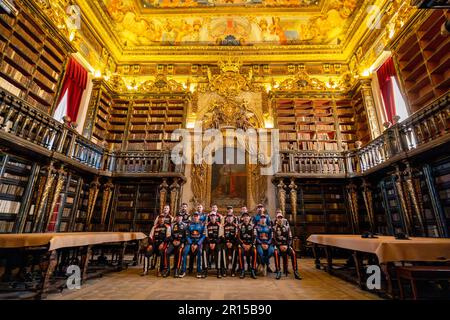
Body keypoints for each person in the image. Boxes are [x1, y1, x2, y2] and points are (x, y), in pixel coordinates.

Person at [273, 210, 302, 280]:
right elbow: (273, 239)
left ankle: (295, 271)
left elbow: (290, 238)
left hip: (286, 246)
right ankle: (278, 271)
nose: (280, 219)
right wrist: (279, 245)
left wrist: (287, 246)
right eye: (278, 218)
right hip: (278, 246)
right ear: (276, 219)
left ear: (283, 219)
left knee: (293, 253)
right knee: (276, 253)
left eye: (281, 218)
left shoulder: (287, 228)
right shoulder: (274, 228)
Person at [179, 212, 205, 278]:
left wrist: (197, 244)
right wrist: (191, 243)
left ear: (199, 217)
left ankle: (199, 271)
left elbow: (203, 236)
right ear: (193, 217)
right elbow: (187, 235)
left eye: (197, 216)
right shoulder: (189, 224)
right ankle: (183, 270)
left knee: (200, 252)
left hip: (198, 243)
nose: (196, 217)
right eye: (194, 216)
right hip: (190, 243)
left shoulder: (202, 224)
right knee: (184, 252)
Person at [166, 212, 188, 278]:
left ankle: (177, 270)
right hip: (173, 242)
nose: (179, 217)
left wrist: (181, 241)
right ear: (176, 217)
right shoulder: (172, 225)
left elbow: (186, 236)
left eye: (180, 216)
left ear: (182, 217)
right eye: (178, 216)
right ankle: (168, 269)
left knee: (179, 252)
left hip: (180, 243)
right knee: (167, 252)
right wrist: (173, 241)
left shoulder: (185, 225)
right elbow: (169, 235)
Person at [203, 212, 224, 278]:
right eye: (211, 216)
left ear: (216, 217)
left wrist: (214, 243)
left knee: (219, 251)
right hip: (208, 242)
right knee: (204, 251)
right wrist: (210, 243)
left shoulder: (219, 225)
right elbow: (205, 236)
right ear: (210, 217)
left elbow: (220, 236)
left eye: (214, 216)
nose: (212, 217)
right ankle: (205, 270)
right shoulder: (206, 225)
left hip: (217, 243)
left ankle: (218, 270)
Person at [237, 212, 257, 279]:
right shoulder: (239, 226)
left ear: (249, 218)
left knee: (254, 251)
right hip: (243, 244)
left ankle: (253, 270)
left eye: (247, 216)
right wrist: (243, 245)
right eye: (244, 216)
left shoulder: (253, 226)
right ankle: (242, 270)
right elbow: (238, 237)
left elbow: (254, 237)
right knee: (240, 251)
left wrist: (250, 245)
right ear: (242, 218)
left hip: (250, 244)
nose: (245, 217)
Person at [222, 211, 239, 277]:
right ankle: (225, 269)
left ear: (233, 219)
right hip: (225, 243)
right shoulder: (223, 226)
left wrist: (231, 243)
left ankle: (233, 270)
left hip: (233, 243)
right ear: (226, 219)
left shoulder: (236, 226)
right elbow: (222, 235)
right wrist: (227, 242)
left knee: (235, 251)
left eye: (231, 217)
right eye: (228, 217)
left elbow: (236, 236)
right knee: (223, 251)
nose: (229, 219)